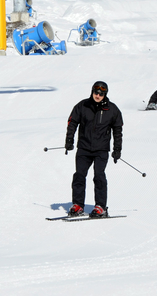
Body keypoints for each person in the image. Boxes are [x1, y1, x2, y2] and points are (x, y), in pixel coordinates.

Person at [65, 81, 123, 218]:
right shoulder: (83, 105)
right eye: (96, 92)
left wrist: (117, 149)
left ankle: (100, 206)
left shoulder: (112, 109)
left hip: (101, 150)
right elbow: (72, 122)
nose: (98, 95)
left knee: (99, 176)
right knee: (79, 175)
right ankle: (78, 205)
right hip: (84, 147)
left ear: (105, 94)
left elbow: (118, 130)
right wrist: (69, 140)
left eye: (101, 93)